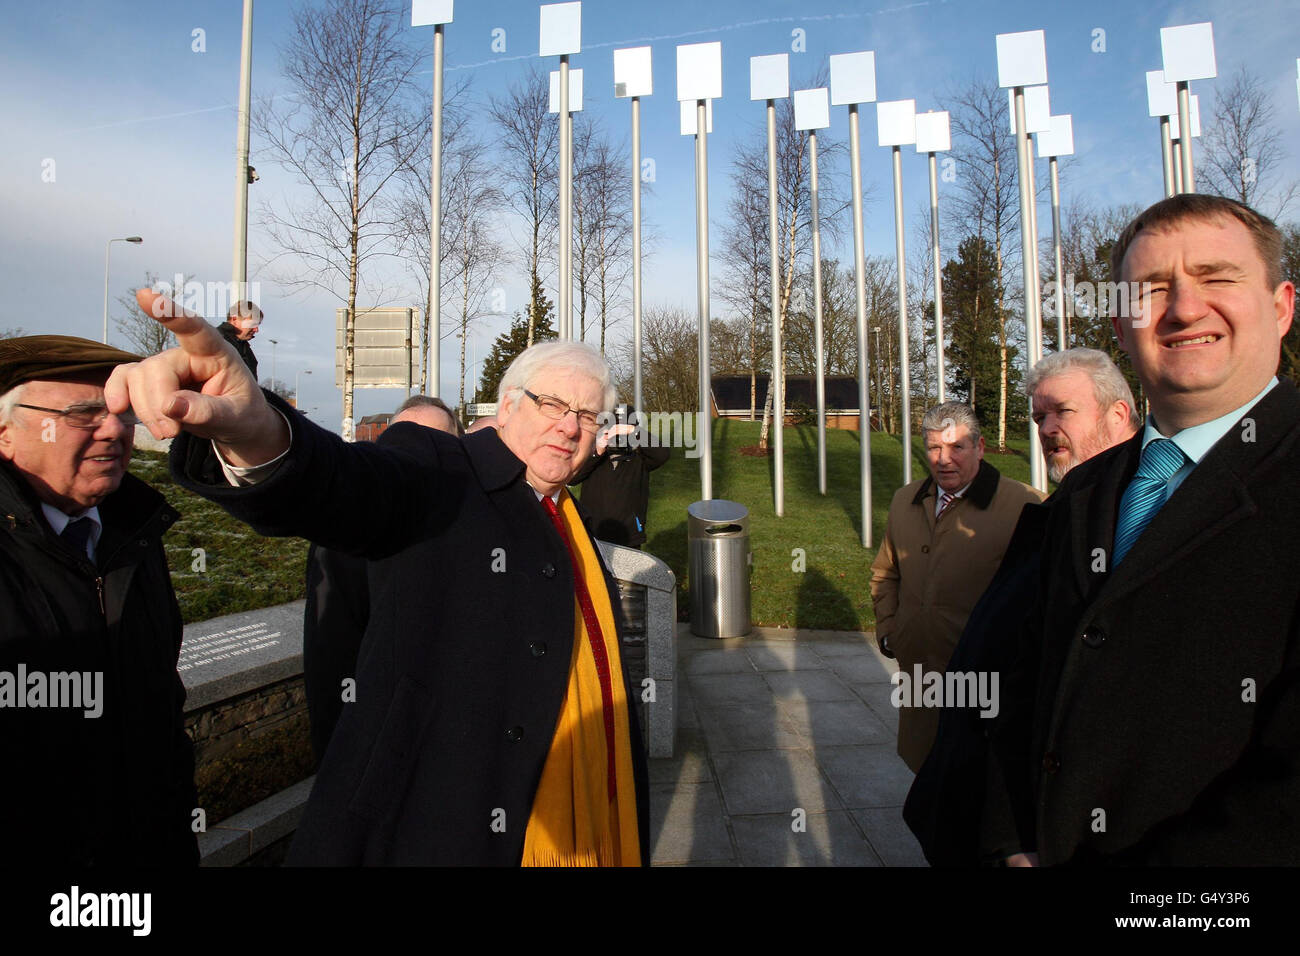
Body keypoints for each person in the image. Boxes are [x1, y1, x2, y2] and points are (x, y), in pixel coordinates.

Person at [110, 291, 648, 866]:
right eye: (552, 404)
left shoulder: (568, 518)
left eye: (587, 416)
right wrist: (257, 432)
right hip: (423, 825)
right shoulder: (440, 468)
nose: (569, 427)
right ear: (509, 403)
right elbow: (345, 483)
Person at [985, 194, 1299, 866]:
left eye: (1217, 277)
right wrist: (1004, 841)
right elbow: (1014, 683)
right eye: (1152, 289)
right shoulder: (1081, 496)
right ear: (1123, 330)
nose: (1184, 308)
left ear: (1281, 307)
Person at [904, 349, 1138, 865]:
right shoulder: (1061, 513)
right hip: (981, 794)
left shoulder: (1126, 522)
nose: (1048, 427)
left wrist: (1020, 832)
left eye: (1062, 412)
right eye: (1038, 417)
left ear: (1117, 414)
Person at [0, 335, 198, 866]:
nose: (114, 428)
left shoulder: (134, 534)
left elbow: (161, 703)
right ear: (5, 435)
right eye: (83, 413)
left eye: (120, 413)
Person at [870, 402, 1045, 772]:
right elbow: (886, 573)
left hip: (985, 680)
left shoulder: (1025, 504)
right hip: (919, 671)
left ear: (979, 447)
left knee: (975, 782)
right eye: (934, 448)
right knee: (924, 769)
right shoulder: (905, 500)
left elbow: (1043, 595)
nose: (943, 459)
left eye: (956, 448)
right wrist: (890, 630)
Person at [303, 394, 462, 764]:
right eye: (405, 442)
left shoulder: (475, 524)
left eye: (432, 443)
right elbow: (331, 651)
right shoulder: (345, 530)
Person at [569, 404, 670, 548]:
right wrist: (597, 452)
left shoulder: (640, 459)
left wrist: (633, 431)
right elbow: (572, 478)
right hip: (595, 532)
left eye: (622, 431)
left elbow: (662, 454)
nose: (618, 436)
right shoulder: (594, 457)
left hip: (629, 535)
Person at [217, 300, 262, 378]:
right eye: (252, 324)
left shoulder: (245, 348)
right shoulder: (217, 343)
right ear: (234, 319)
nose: (256, 330)